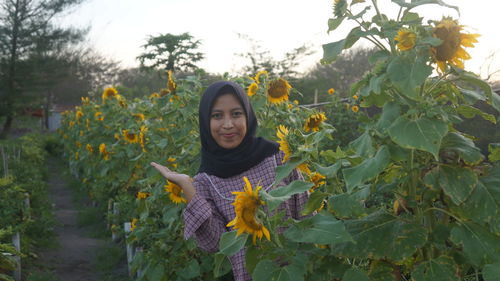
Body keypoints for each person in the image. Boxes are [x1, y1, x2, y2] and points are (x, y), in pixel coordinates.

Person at [150, 81, 309, 281]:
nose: (228, 124)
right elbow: (216, 243)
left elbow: (307, 212)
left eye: (236, 114)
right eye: (217, 116)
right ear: (205, 123)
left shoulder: (277, 156)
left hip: (301, 270)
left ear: (248, 116)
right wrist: (187, 186)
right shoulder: (206, 180)